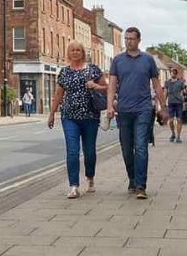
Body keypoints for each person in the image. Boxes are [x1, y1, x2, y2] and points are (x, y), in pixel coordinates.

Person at [106, 27, 167, 199]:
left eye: (131, 39)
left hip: (143, 109)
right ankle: (132, 179)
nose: (128, 42)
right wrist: (110, 106)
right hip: (124, 110)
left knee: (140, 146)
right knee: (126, 149)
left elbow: (156, 85)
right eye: (126, 39)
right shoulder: (117, 60)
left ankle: (141, 185)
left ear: (139, 40)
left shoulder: (148, 60)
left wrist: (163, 107)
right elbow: (112, 85)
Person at [48, 41, 107, 198]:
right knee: (72, 151)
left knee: (89, 152)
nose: (75, 52)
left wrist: (95, 86)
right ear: (69, 53)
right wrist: (52, 113)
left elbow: (107, 88)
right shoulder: (64, 72)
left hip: (90, 116)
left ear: (82, 52)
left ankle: (90, 177)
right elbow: (58, 94)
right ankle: (74, 186)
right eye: (72, 50)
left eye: (78, 50)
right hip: (69, 117)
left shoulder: (93, 69)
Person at [163, 67, 186, 143]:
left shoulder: (180, 82)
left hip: (179, 103)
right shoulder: (167, 82)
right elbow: (165, 92)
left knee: (179, 120)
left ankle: (178, 136)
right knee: (171, 121)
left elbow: (184, 92)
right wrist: (164, 102)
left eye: (175, 73)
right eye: (172, 72)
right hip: (171, 103)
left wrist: (183, 98)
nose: (173, 74)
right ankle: (173, 133)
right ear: (170, 73)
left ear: (176, 74)